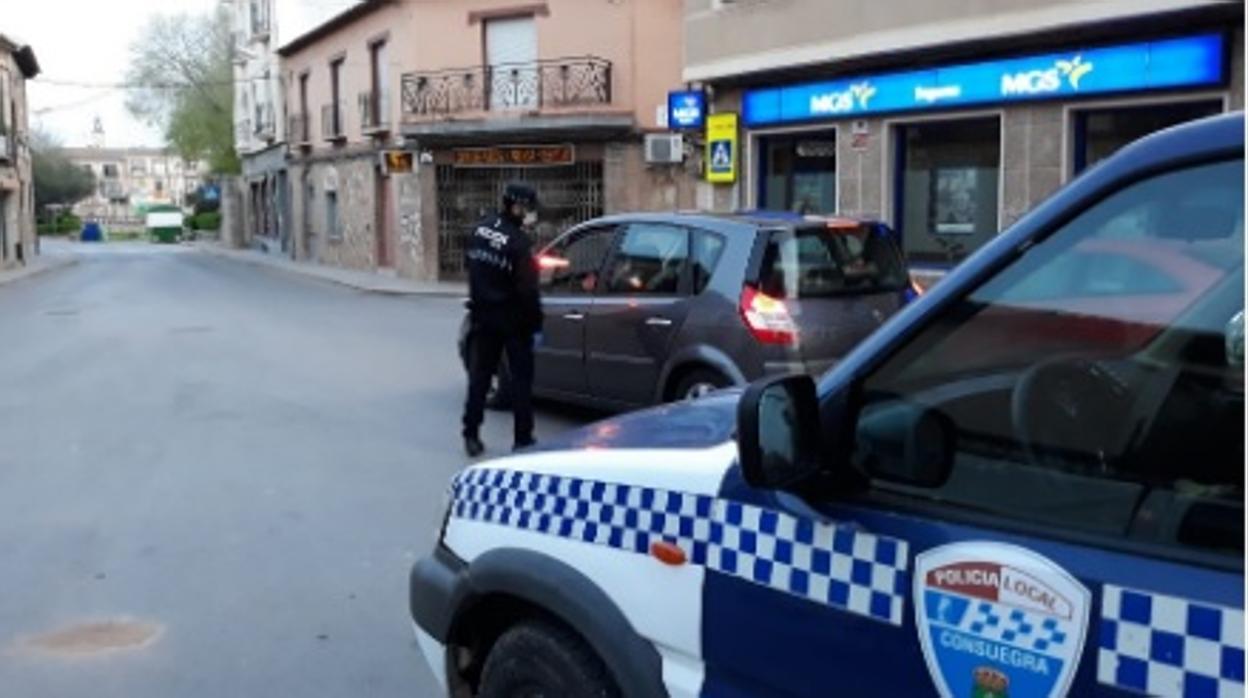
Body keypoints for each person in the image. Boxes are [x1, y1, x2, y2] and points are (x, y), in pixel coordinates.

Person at [461, 183, 543, 457]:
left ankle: (471, 434)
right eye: (527, 208)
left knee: (480, 377)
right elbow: (528, 290)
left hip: (482, 316)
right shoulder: (519, 243)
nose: (529, 214)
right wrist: (536, 325)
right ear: (515, 206)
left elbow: (470, 267)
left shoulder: (478, 229)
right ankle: (523, 438)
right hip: (514, 321)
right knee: (521, 380)